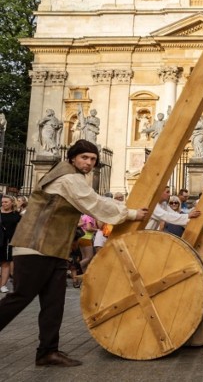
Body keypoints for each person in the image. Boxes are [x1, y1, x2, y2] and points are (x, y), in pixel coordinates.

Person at [0, 140, 148, 367]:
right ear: (72, 158)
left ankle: (47, 352)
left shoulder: (73, 178)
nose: (89, 163)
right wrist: (131, 214)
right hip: (34, 247)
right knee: (20, 297)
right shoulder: (68, 178)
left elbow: (94, 199)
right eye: (84, 158)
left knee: (54, 303)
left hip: (53, 248)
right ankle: (47, 351)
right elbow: (94, 203)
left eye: (93, 160)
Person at [0, 196, 21, 293]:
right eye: (2, 202)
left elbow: (20, 229)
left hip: (8, 241)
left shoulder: (16, 215)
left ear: (12, 202)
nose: (3, 204)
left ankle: (2, 285)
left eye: (6, 202)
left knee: (5, 263)